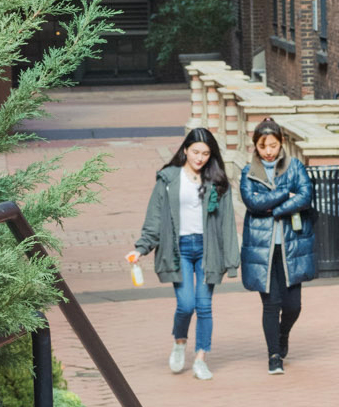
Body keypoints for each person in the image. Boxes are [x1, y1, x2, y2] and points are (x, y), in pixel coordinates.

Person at [129, 127, 239, 380]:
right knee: (186, 304)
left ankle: (201, 357)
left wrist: (231, 261)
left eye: (206, 154)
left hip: (208, 250)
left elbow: (227, 225)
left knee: (204, 306)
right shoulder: (168, 180)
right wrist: (140, 248)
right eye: (196, 152)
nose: (200, 158)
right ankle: (180, 342)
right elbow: (154, 219)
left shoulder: (218, 182)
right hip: (179, 250)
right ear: (185, 150)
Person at [239, 117, 315, 375]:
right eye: (263, 146)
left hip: (292, 246)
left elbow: (305, 197)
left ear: (281, 143)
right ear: (255, 146)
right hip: (263, 249)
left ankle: (282, 336)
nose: (269, 151)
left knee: (293, 305)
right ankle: (274, 356)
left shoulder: (295, 167)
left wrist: (272, 207)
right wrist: (284, 195)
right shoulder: (247, 172)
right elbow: (252, 203)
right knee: (271, 303)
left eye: (273, 145)